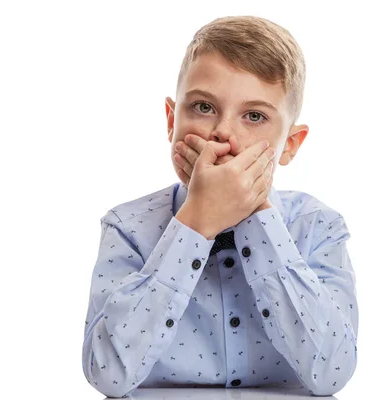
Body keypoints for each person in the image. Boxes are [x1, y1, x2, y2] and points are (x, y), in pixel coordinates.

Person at [82, 15, 358, 398]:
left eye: (255, 116)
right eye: (203, 107)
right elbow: (108, 373)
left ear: (290, 145)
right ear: (170, 120)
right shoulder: (128, 227)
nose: (223, 133)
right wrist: (196, 222)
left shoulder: (318, 228)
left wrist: (253, 208)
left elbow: (331, 371)